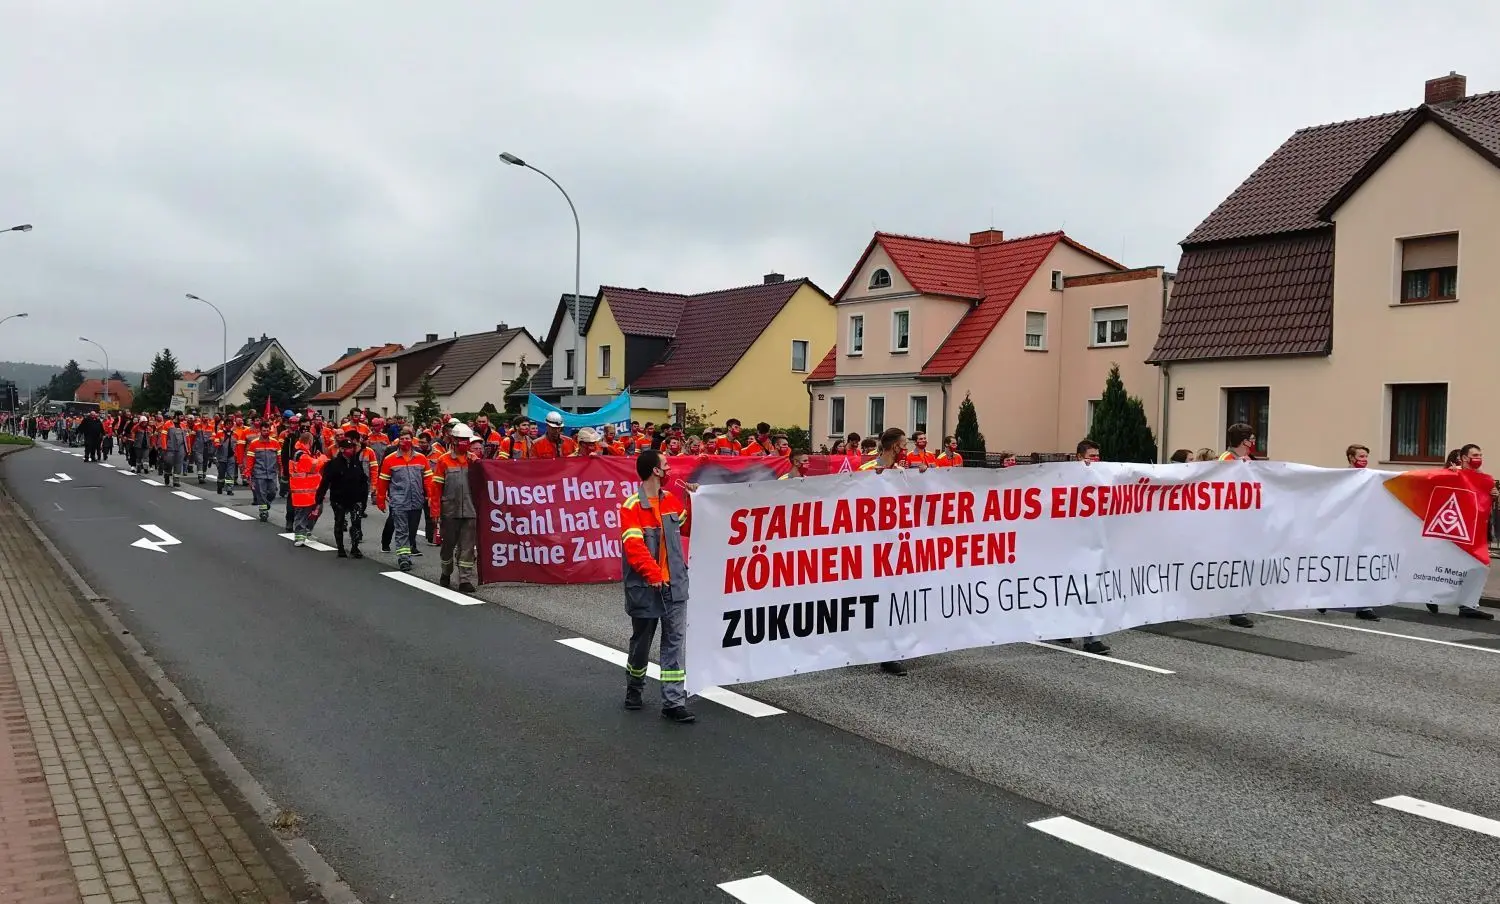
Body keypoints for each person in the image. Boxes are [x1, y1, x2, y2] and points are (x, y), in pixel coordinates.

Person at [620, 450, 696, 723]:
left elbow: (686, 528)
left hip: (674, 584)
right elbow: (634, 547)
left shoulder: (671, 500)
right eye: (666, 464)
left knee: (674, 642)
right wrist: (653, 574)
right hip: (647, 587)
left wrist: (694, 500)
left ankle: (673, 703)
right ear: (655, 470)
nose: (669, 468)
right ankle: (634, 687)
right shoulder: (631, 506)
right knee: (642, 642)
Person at [1056, 440, 1112, 655]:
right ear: (1079, 457)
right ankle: (1066, 626)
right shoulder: (1066, 477)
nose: (1095, 460)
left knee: (1092, 587)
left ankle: (1092, 638)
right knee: (1071, 587)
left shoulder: (1104, 476)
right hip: (1071, 541)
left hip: (1094, 542)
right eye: (1091, 456)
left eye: (1097, 455)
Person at [1318, 444, 1380, 621]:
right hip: (1344, 530)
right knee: (1340, 565)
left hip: (1363, 529)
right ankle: (1323, 596)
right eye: (1361, 456)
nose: (1364, 460)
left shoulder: (1371, 477)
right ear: (1351, 458)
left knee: (1364, 565)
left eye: (1366, 456)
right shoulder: (1342, 477)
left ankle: (1364, 607)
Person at [429, 423, 480, 591]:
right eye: (461, 439)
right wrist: (435, 511)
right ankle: (446, 571)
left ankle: (464, 579)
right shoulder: (443, 461)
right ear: (454, 440)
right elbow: (436, 489)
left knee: (467, 547)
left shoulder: (474, 460)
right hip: (449, 511)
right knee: (448, 545)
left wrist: (477, 464)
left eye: (467, 440)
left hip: (470, 510)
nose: (465, 443)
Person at [1217, 424, 1258, 629]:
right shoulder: (1226, 459)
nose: (1254, 442)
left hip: (1246, 521)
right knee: (1234, 565)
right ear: (1244, 441)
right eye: (1251, 438)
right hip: (1230, 522)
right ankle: (1235, 610)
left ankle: (1238, 605)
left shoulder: (1248, 460)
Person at [375, 426, 432, 573]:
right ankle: (403, 558)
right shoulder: (390, 459)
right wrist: (380, 499)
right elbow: (383, 481)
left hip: (417, 500)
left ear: (412, 440)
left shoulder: (421, 458)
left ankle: (408, 551)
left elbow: (428, 479)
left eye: (407, 438)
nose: (405, 441)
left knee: (412, 530)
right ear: (398, 441)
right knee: (402, 530)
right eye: (402, 439)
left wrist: (431, 496)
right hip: (399, 500)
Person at [317, 433, 370, 558]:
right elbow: (325, 482)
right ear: (341, 449)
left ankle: (355, 547)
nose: (351, 450)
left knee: (356, 523)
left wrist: (364, 499)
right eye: (348, 448)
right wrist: (319, 499)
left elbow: (363, 480)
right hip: (339, 499)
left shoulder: (356, 463)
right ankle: (340, 548)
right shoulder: (333, 464)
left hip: (355, 498)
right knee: (339, 522)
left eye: (352, 448)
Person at [287, 431, 327, 547]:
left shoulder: (302, 453)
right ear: (309, 441)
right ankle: (300, 536)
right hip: (303, 490)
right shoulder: (301, 454)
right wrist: (322, 458)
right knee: (302, 513)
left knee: (315, 511)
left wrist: (316, 457)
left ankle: (306, 531)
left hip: (309, 490)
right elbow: (314, 466)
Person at [246, 422, 282, 522]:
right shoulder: (254, 443)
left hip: (272, 472)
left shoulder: (275, 442)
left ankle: (267, 504)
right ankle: (263, 512)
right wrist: (248, 472)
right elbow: (250, 459)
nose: (266, 432)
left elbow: (279, 458)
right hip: (259, 472)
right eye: (264, 430)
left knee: (273, 492)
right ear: (260, 431)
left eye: (267, 430)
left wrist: (281, 470)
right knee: (261, 493)